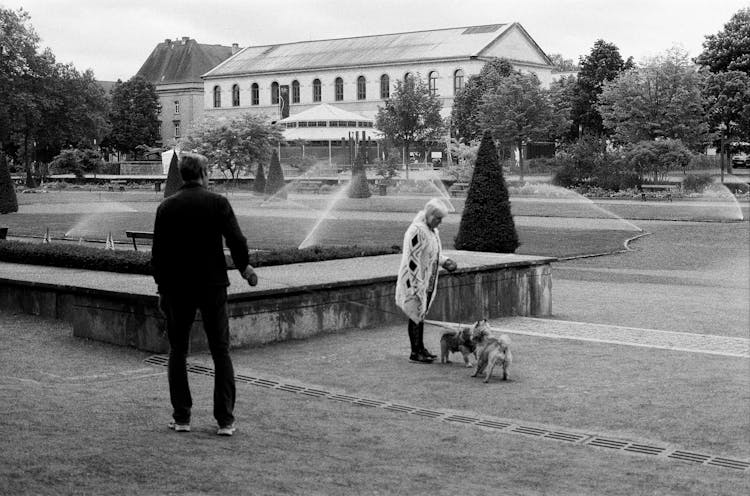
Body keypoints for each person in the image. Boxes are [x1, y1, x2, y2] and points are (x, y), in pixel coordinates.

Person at [151, 152, 257, 436]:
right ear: (204, 173)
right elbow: (236, 239)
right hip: (212, 284)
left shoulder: (167, 206)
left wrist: (161, 288)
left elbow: (158, 254)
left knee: (178, 352)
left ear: (183, 175)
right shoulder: (218, 202)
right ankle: (225, 420)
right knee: (220, 351)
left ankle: (182, 417)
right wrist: (244, 268)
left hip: (177, 286)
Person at [395, 198, 457, 363]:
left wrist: (445, 261)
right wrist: (417, 286)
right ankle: (415, 352)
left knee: (420, 314)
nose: (440, 222)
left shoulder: (431, 230)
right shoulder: (417, 231)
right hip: (414, 282)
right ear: (429, 215)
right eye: (438, 218)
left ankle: (420, 348)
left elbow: (432, 253)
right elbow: (412, 260)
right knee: (415, 315)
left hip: (426, 281)